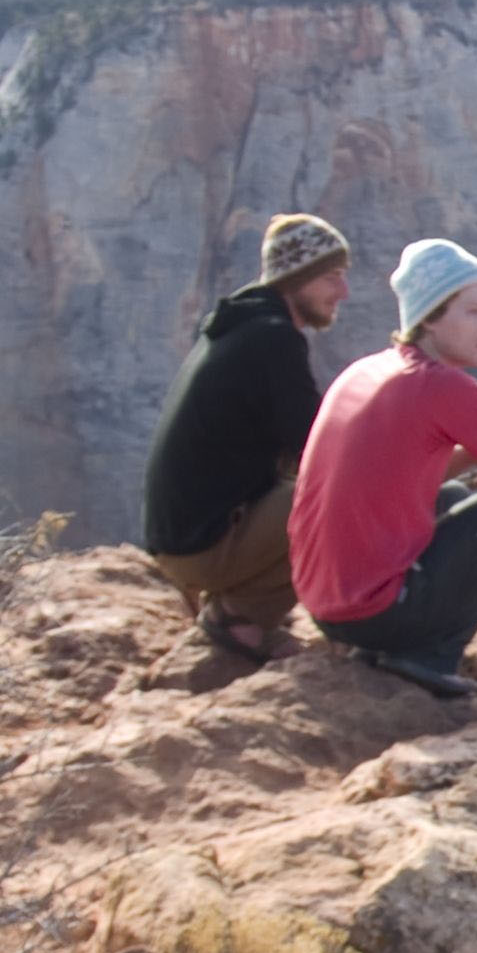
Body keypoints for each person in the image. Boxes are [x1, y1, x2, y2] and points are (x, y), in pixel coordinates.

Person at [290, 238, 477, 700]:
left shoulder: (367, 371)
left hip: (326, 607)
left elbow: (400, 479)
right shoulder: (442, 386)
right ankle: (431, 653)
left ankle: (397, 637)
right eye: (474, 312)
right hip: (377, 614)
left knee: (457, 500)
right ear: (432, 318)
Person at [138, 213, 353, 660]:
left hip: (181, 538)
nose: (343, 292)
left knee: (315, 490)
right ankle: (241, 619)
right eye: (332, 277)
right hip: (203, 546)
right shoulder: (273, 339)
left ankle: (234, 603)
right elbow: (316, 448)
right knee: (339, 498)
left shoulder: (239, 327)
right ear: (299, 277)